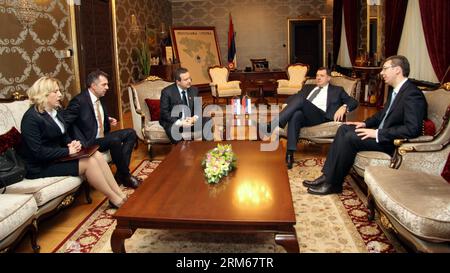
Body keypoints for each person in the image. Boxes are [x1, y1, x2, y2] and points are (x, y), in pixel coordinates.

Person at [304, 55, 427, 195]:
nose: (382, 73)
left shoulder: (412, 94)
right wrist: (363, 123)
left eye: (385, 69)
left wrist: (377, 133)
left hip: (390, 141)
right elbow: (382, 115)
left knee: (350, 137)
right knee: (344, 128)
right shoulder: (396, 91)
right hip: (381, 134)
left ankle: (334, 184)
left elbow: (412, 129)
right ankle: (327, 177)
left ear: (397, 70)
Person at [19, 77, 127, 208]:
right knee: (89, 162)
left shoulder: (55, 111)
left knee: (96, 155)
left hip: (57, 157)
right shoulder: (31, 118)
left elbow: (63, 134)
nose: (60, 95)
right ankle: (114, 198)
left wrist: (71, 143)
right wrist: (67, 151)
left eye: (59, 91)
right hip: (40, 166)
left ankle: (119, 194)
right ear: (44, 95)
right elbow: (38, 152)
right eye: (56, 91)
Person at [266, 67, 358, 169]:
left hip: (321, 116)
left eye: (322, 76)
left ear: (328, 78)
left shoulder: (337, 90)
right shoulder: (308, 87)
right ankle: (289, 154)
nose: (318, 78)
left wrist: (344, 107)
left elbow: (353, 102)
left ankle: (273, 124)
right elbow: (293, 97)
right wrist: (286, 104)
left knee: (301, 100)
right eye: (317, 75)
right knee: (296, 115)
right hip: (306, 116)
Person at [64, 70, 140, 189]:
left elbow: (92, 116)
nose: (107, 87)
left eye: (107, 84)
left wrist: (107, 119)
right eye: (104, 85)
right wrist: (71, 142)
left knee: (131, 133)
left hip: (101, 136)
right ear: (93, 86)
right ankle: (126, 175)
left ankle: (120, 174)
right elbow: (64, 123)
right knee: (114, 140)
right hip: (89, 140)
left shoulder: (100, 97)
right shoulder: (79, 101)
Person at [159, 67, 209, 142]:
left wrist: (194, 118)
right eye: (186, 80)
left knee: (208, 120)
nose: (189, 81)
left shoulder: (194, 90)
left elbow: (198, 108)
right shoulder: (167, 92)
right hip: (175, 122)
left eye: (190, 78)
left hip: (190, 121)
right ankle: (183, 150)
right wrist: (181, 123)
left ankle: (205, 148)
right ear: (178, 82)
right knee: (172, 130)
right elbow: (164, 113)